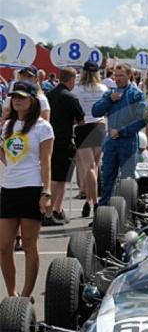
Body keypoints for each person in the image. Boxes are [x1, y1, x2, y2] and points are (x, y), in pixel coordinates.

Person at [0, 81, 54, 300]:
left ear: (33, 100)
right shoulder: (7, 125)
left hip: (32, 187)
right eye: (14, 97)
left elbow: (46, 160)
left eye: (22, 96)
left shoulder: (43, 126)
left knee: (30, 245)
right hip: (9, 187)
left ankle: (25, 295)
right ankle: (11, 295)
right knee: (4, 247)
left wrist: (46, 191)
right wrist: (9, 163)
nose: (17, 100)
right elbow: (5, 155)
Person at [92, 63, 146, 206]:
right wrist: (110, 100)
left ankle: (128, 212)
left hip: (128, 142)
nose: (117, 78)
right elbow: (95, 111)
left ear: (129, 75)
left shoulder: (136, 94)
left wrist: (122, 131)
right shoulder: (110, 93)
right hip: (111, 142)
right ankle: (103, 211)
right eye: (116, 75)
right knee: (107, 177)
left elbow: (142, 119)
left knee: (127, 180)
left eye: (121, 75)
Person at [44, 67, 85, 225]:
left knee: (52, 178)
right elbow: (81, 120)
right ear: (72, 79)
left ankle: (57, 210)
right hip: (64, 141)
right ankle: (50, 212)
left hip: (48, 140)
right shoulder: (70, 97)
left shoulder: (49, 95)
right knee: (60, 180)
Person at [72, 61, 107, 217]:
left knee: (89, 167)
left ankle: (93, 201)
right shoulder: (103, 88)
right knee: (95, 166)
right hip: (99, 126)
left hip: (83, 126)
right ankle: (90, 200)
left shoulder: (77, 90)